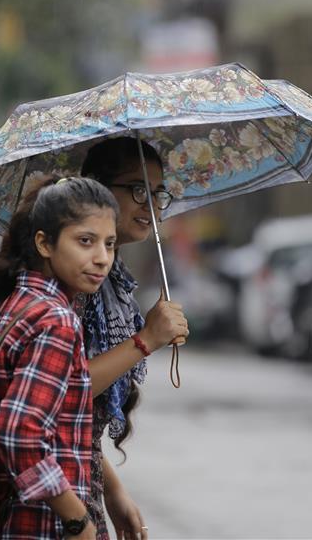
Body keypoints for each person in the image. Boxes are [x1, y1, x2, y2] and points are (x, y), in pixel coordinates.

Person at [0, 176, 119, 539]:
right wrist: (77, 520)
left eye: (109, 244)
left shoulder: (12, 306)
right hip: (37, 526)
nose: (102, 258)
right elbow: (19, 435)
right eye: (85, 241)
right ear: (44, 244)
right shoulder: (56, 320)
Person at [79, 137, 190, 539]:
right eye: (138, 190)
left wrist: (114, 492)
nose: (151, 205)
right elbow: (63, 394)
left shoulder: (111, 280)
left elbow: (81, 424)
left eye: (158, 192)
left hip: (81, 484)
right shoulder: (73, 281)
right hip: (52, 500)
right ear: (98, 189)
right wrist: (145, 339)